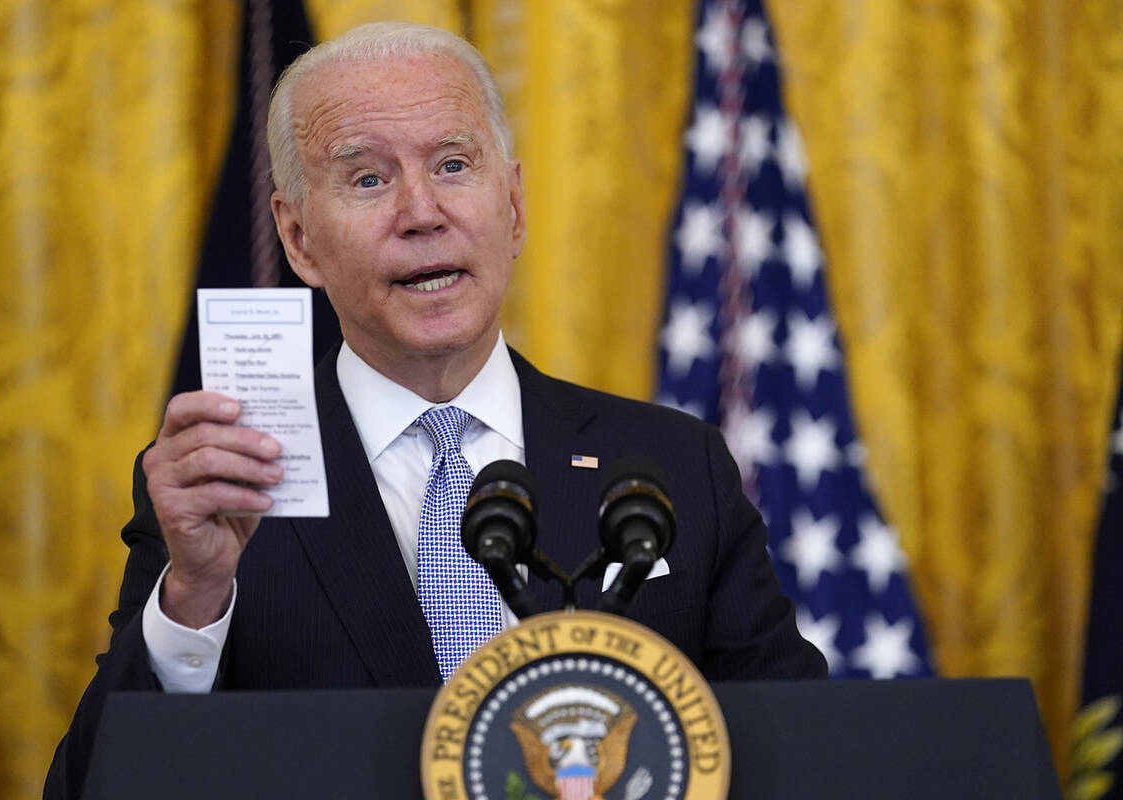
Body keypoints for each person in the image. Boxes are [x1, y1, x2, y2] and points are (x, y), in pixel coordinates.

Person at [45, 21, 825, 799]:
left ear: (513, 206)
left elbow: (803, 755)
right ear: (298, 239)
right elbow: (90, 787)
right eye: (368, 180)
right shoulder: (224, 488)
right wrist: (194, 597)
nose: (422, 212)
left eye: (453, 165)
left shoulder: (677, 467)